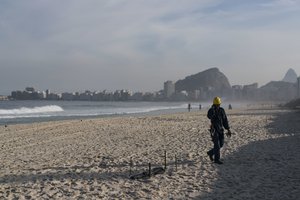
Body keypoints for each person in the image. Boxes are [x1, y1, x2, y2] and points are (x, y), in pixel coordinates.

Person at [207, 97, 231, 164]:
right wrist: (213, 110)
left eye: (218, 105)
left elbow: (225, 120)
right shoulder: (211, 110)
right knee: (217, 145)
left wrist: (228, 129)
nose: (217, 106)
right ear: (214, 104)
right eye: (216, 105)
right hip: (214, 130)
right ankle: (216, 160)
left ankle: (210, 153)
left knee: (221, 144)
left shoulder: (222, 110)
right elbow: (209, 116)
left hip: (221, 129)